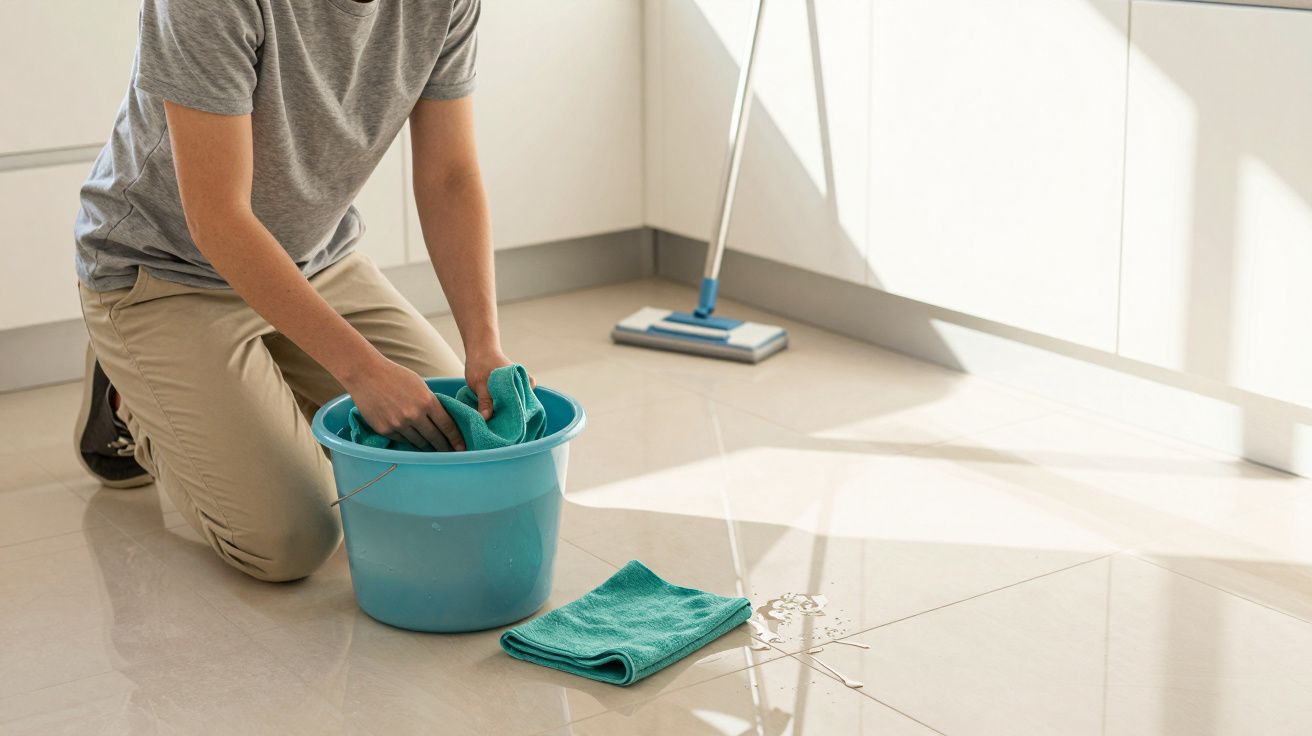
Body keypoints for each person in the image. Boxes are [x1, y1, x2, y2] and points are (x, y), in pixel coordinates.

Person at [71, 0, 524, 582]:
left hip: (319, 264)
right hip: (165, 272)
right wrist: (362, 371)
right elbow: (219, 219)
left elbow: (449, 176)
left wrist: (483, 344)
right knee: (293, 541)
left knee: (454, 452)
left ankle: (255, 380)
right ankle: (128, 401)